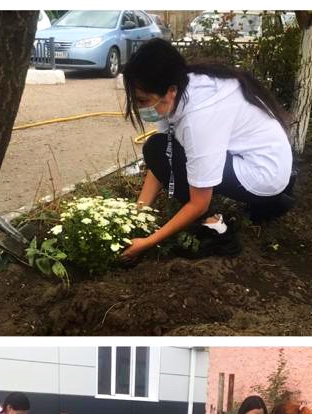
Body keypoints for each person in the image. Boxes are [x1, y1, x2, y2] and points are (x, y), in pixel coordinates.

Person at [120, 39, 295, 262]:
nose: (142, 108)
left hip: (262, 173)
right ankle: (272, 203)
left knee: (159, 149)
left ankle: (219, 232)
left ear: (170, 91)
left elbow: (198, 202)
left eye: (144, 100)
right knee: (159, 146)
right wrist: (137, 215)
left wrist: (148, 242)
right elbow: (163, 159)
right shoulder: (184, 86)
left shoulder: (198, 120)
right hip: (267, 160)